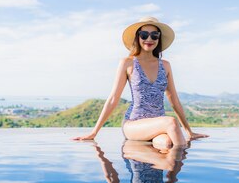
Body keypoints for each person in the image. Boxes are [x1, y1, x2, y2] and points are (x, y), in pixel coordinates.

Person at [72, 16, 209, 149]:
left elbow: (174, 100)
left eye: (154, 35)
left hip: (159, 125)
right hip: (134, 124)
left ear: (158, 38)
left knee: (167, 144)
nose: (149, 39)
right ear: (137, 37)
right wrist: (94, 132)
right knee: (171, 122)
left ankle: (165, 167)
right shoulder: (128, 63)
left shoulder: (165, 66)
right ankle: (178, 172)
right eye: (144, 35)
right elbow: (114, 98)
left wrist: (189, 132)